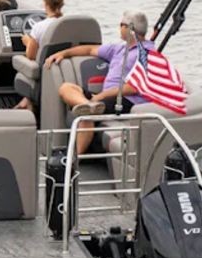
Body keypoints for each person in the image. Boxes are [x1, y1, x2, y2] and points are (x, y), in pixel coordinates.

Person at [43, 10, 153, 154]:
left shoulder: (147, 53)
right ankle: (88, 105)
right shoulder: (119, 48)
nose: (119, 27)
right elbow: (89, 50)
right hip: (106, 98)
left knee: (86, 116)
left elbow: (133, 88)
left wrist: (101, 96)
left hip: (127, 100)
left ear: (129, 29)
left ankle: (75, 158)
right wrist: (62, 53)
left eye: (122, 25)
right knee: (66, 88)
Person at [12, 0, 64, 110]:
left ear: (45, 3)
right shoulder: (65, 24)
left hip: (42, 71)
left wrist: (27, 42)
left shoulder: (39, 27)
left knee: (20, 64)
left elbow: (30, 55)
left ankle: (28, 105)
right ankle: (26, 102)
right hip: (61, 68)